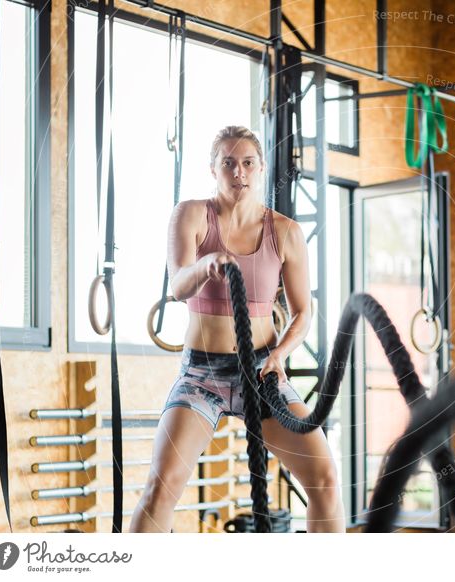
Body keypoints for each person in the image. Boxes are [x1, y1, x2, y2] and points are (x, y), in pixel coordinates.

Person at [129, 126, 345, 533]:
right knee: (161, 487)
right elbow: (176, 286)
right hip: (202, 376)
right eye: (228, 162)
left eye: (247, 162)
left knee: (325, 481)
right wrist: (204, 266)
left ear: (261, 168)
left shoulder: (285, 232)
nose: (238, 171)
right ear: (213, 169)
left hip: (262, 372)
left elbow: (303, 313)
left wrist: (280, 355)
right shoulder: (192, 214)